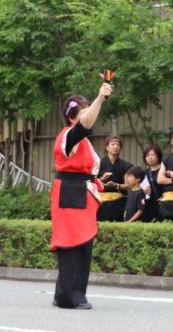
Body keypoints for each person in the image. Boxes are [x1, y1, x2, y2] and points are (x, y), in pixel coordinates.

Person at [49, 77, 114, 310]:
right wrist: (100, 98)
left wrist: (97, 181)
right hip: (70, 192)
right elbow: (84, 125)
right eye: (83, 109)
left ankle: (66, 294)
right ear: (72, 115)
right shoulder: (69, 135)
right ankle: (70, 296)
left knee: (83, 244)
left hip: (80, 191)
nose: (89, 113)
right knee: (71, 243)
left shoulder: (83, 141)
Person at [96, 134, 132, 222]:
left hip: (119, 203)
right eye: (112, 144)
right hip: (101, 204)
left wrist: (117, 185)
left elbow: (131, 185)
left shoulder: (126, 166)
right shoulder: (97, 164)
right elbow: (89, 183)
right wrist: (101, 180)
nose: (115, 146)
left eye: (118, 144)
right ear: (107, 147)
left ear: (120, 148)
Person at [139, 145, 164, 222]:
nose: (150, 158)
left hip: (163, 205)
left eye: (152, 155)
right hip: (149, 207)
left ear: (158, 156)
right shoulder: (144, 173)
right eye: (147, 155)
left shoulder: (164, 170)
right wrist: (143, 190)